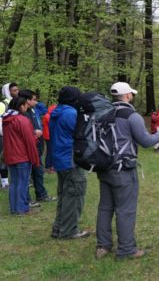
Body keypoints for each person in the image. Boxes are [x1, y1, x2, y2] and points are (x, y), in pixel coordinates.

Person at [95, 82, 159, 259]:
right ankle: (126, 249)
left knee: (105, 207)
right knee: (125, 209)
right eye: (131, 94)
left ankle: (103, 246)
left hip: (104, 167)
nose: (132, 97)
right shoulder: (131, 116)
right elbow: (145, 141)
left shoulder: (102, 113)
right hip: (123, 169)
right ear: (127, 96)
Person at [49, 86, 90, 239]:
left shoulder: (56, 111)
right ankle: (69, 231)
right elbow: (83, 133)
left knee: (64, 196)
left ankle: (59, 227)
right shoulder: (71, 113)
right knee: (74, 196)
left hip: (60, 159)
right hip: (71, 160)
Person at [3, 95, 41, 215]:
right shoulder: (22, 120)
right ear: (21, 106)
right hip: (22, 155)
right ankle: (21, 208)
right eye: (25, 105)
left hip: (10, 155)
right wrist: (36, 138)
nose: (27, 107)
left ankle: (14, 208)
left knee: (14, 182)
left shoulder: (6, 120)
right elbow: (29, 140)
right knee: (22, 182)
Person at [18, 89, 52, 205]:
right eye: (33, 99)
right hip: (30, 146)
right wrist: (34, 132)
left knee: (38, 171)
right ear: (27, 100)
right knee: (27, 174)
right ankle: (26, 199)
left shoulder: (32, 110)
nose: (36, 101)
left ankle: (41, 194)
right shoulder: (22, 113)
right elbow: (22, 130)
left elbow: (43, 110)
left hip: (38, 145)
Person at [0, 82, 19, 189]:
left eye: (17, 90)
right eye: (14, 90)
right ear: (8, 91)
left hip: (14, 135)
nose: (17, 92)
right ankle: (4, 182)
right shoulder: (3, 104)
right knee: (3, 158)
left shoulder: (17, 102)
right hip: (3, 135)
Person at [42, 102, 57, 173]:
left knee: (50, 151)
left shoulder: (47, 115)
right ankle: (49, 167)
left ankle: (50, 166)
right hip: (49, 136)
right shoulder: (48, 116)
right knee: (50, 151)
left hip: (48, 136)